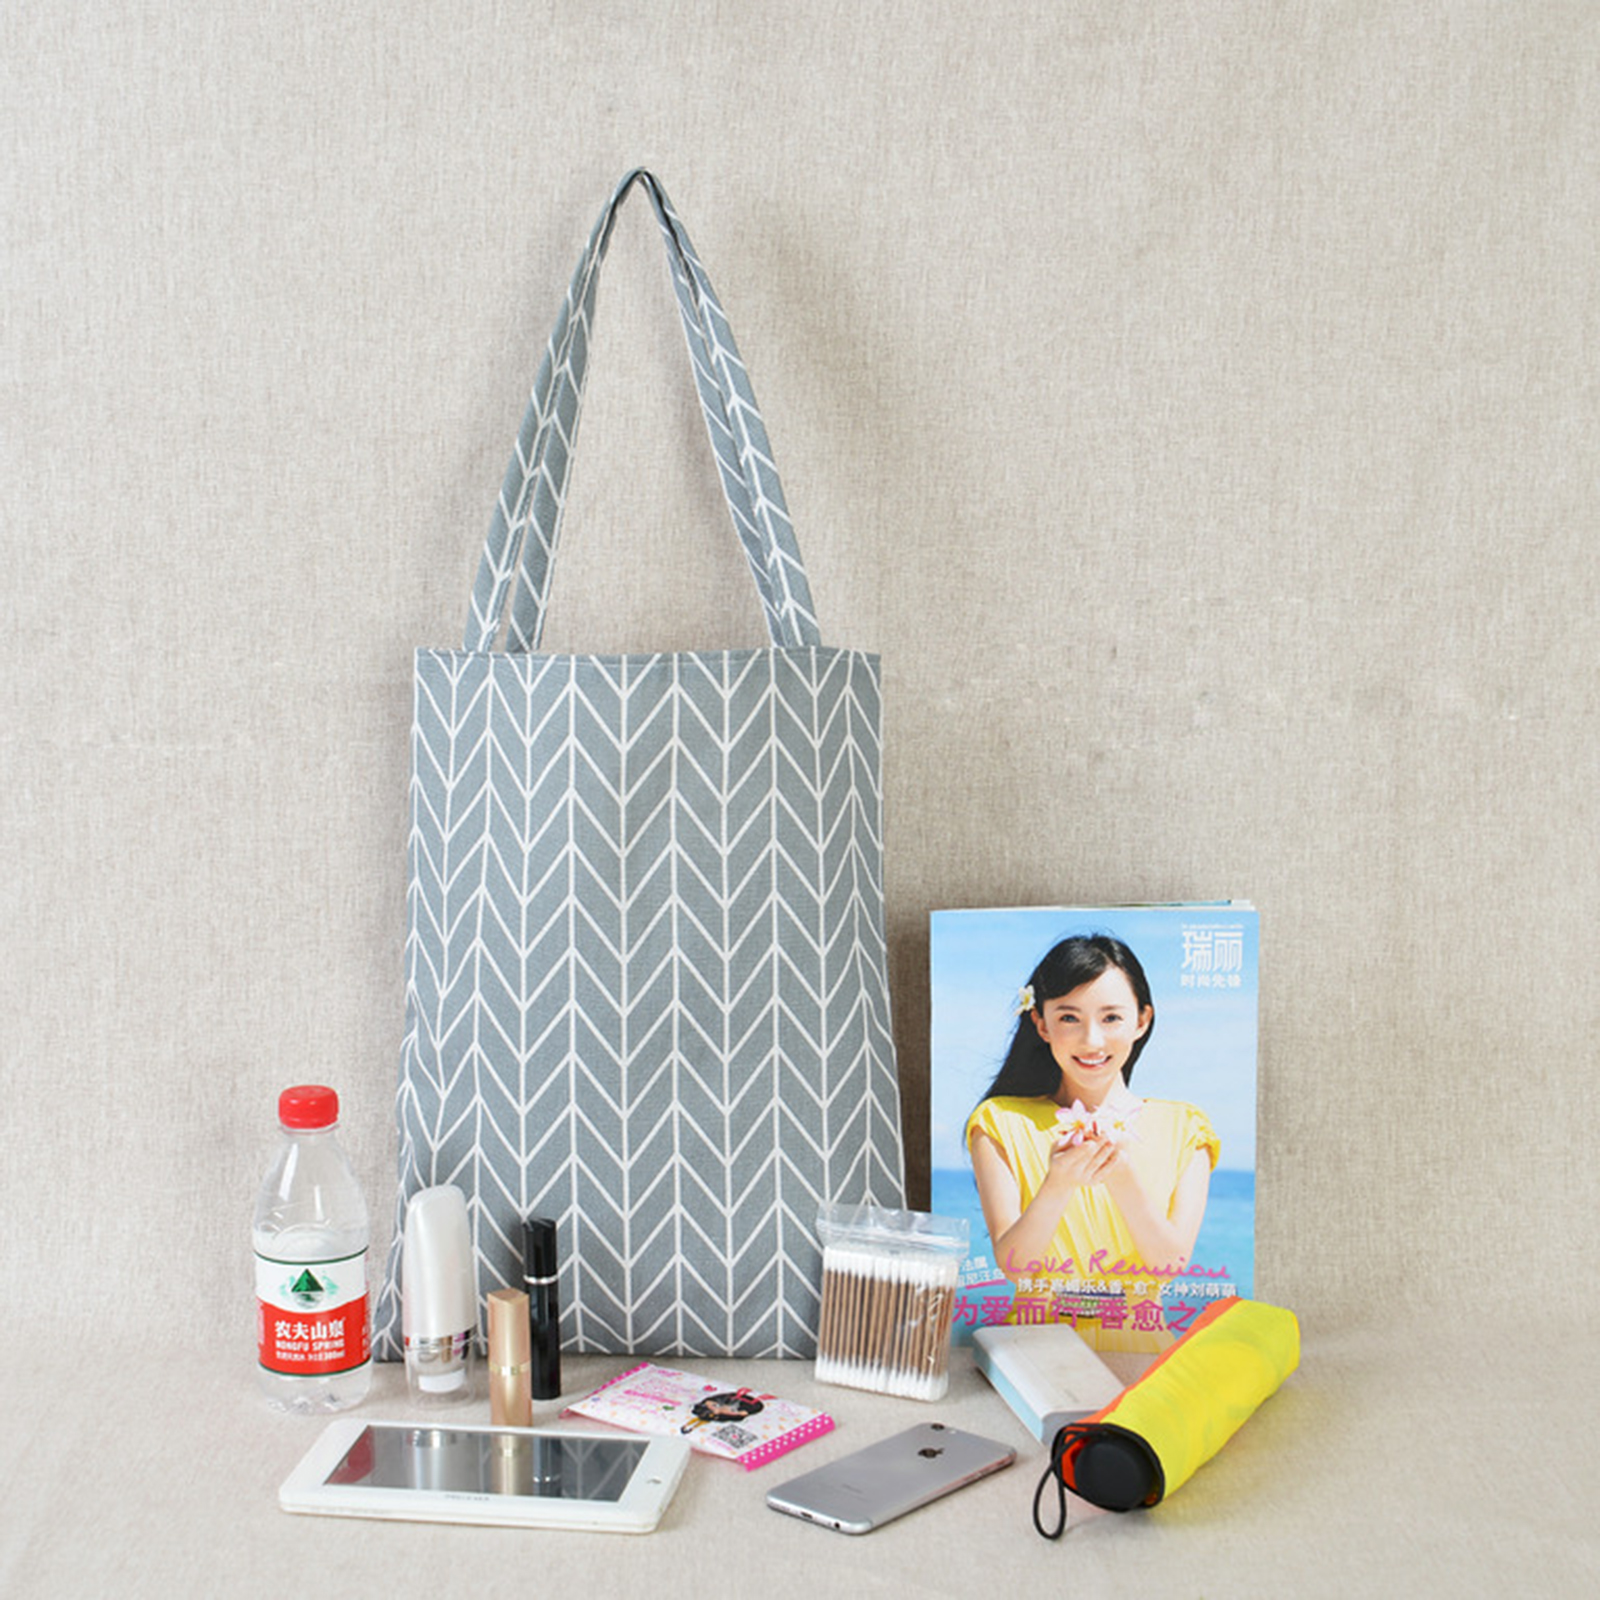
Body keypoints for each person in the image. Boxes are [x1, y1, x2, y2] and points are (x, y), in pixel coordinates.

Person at [965, 934, 1217, 1353]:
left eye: (1111, 1017)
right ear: (1041, 1024)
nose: (1092, 1041)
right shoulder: (999, 1122)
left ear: (1142, 1020)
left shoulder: (1186, 1128)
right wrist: (1058, 1184)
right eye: (1069, 1018)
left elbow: (1168, 1265)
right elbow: (1015, 1268)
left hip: (1142, 1351)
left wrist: (1122, 1178)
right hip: (1034, 1351)